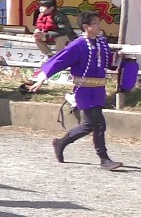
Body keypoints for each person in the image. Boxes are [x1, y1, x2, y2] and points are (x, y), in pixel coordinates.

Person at [29, 11, 123, 170]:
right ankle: (104, 159)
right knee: (99, 124)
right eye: (95, 23)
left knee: (88, 126)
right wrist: (42, 77)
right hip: (84, 90)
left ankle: (60, 143)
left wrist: (121, 59)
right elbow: (59, 60)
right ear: (86, 27)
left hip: (99, 88)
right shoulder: (78, 45)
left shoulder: (101, 42)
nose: (99, 25)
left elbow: (108, 63)